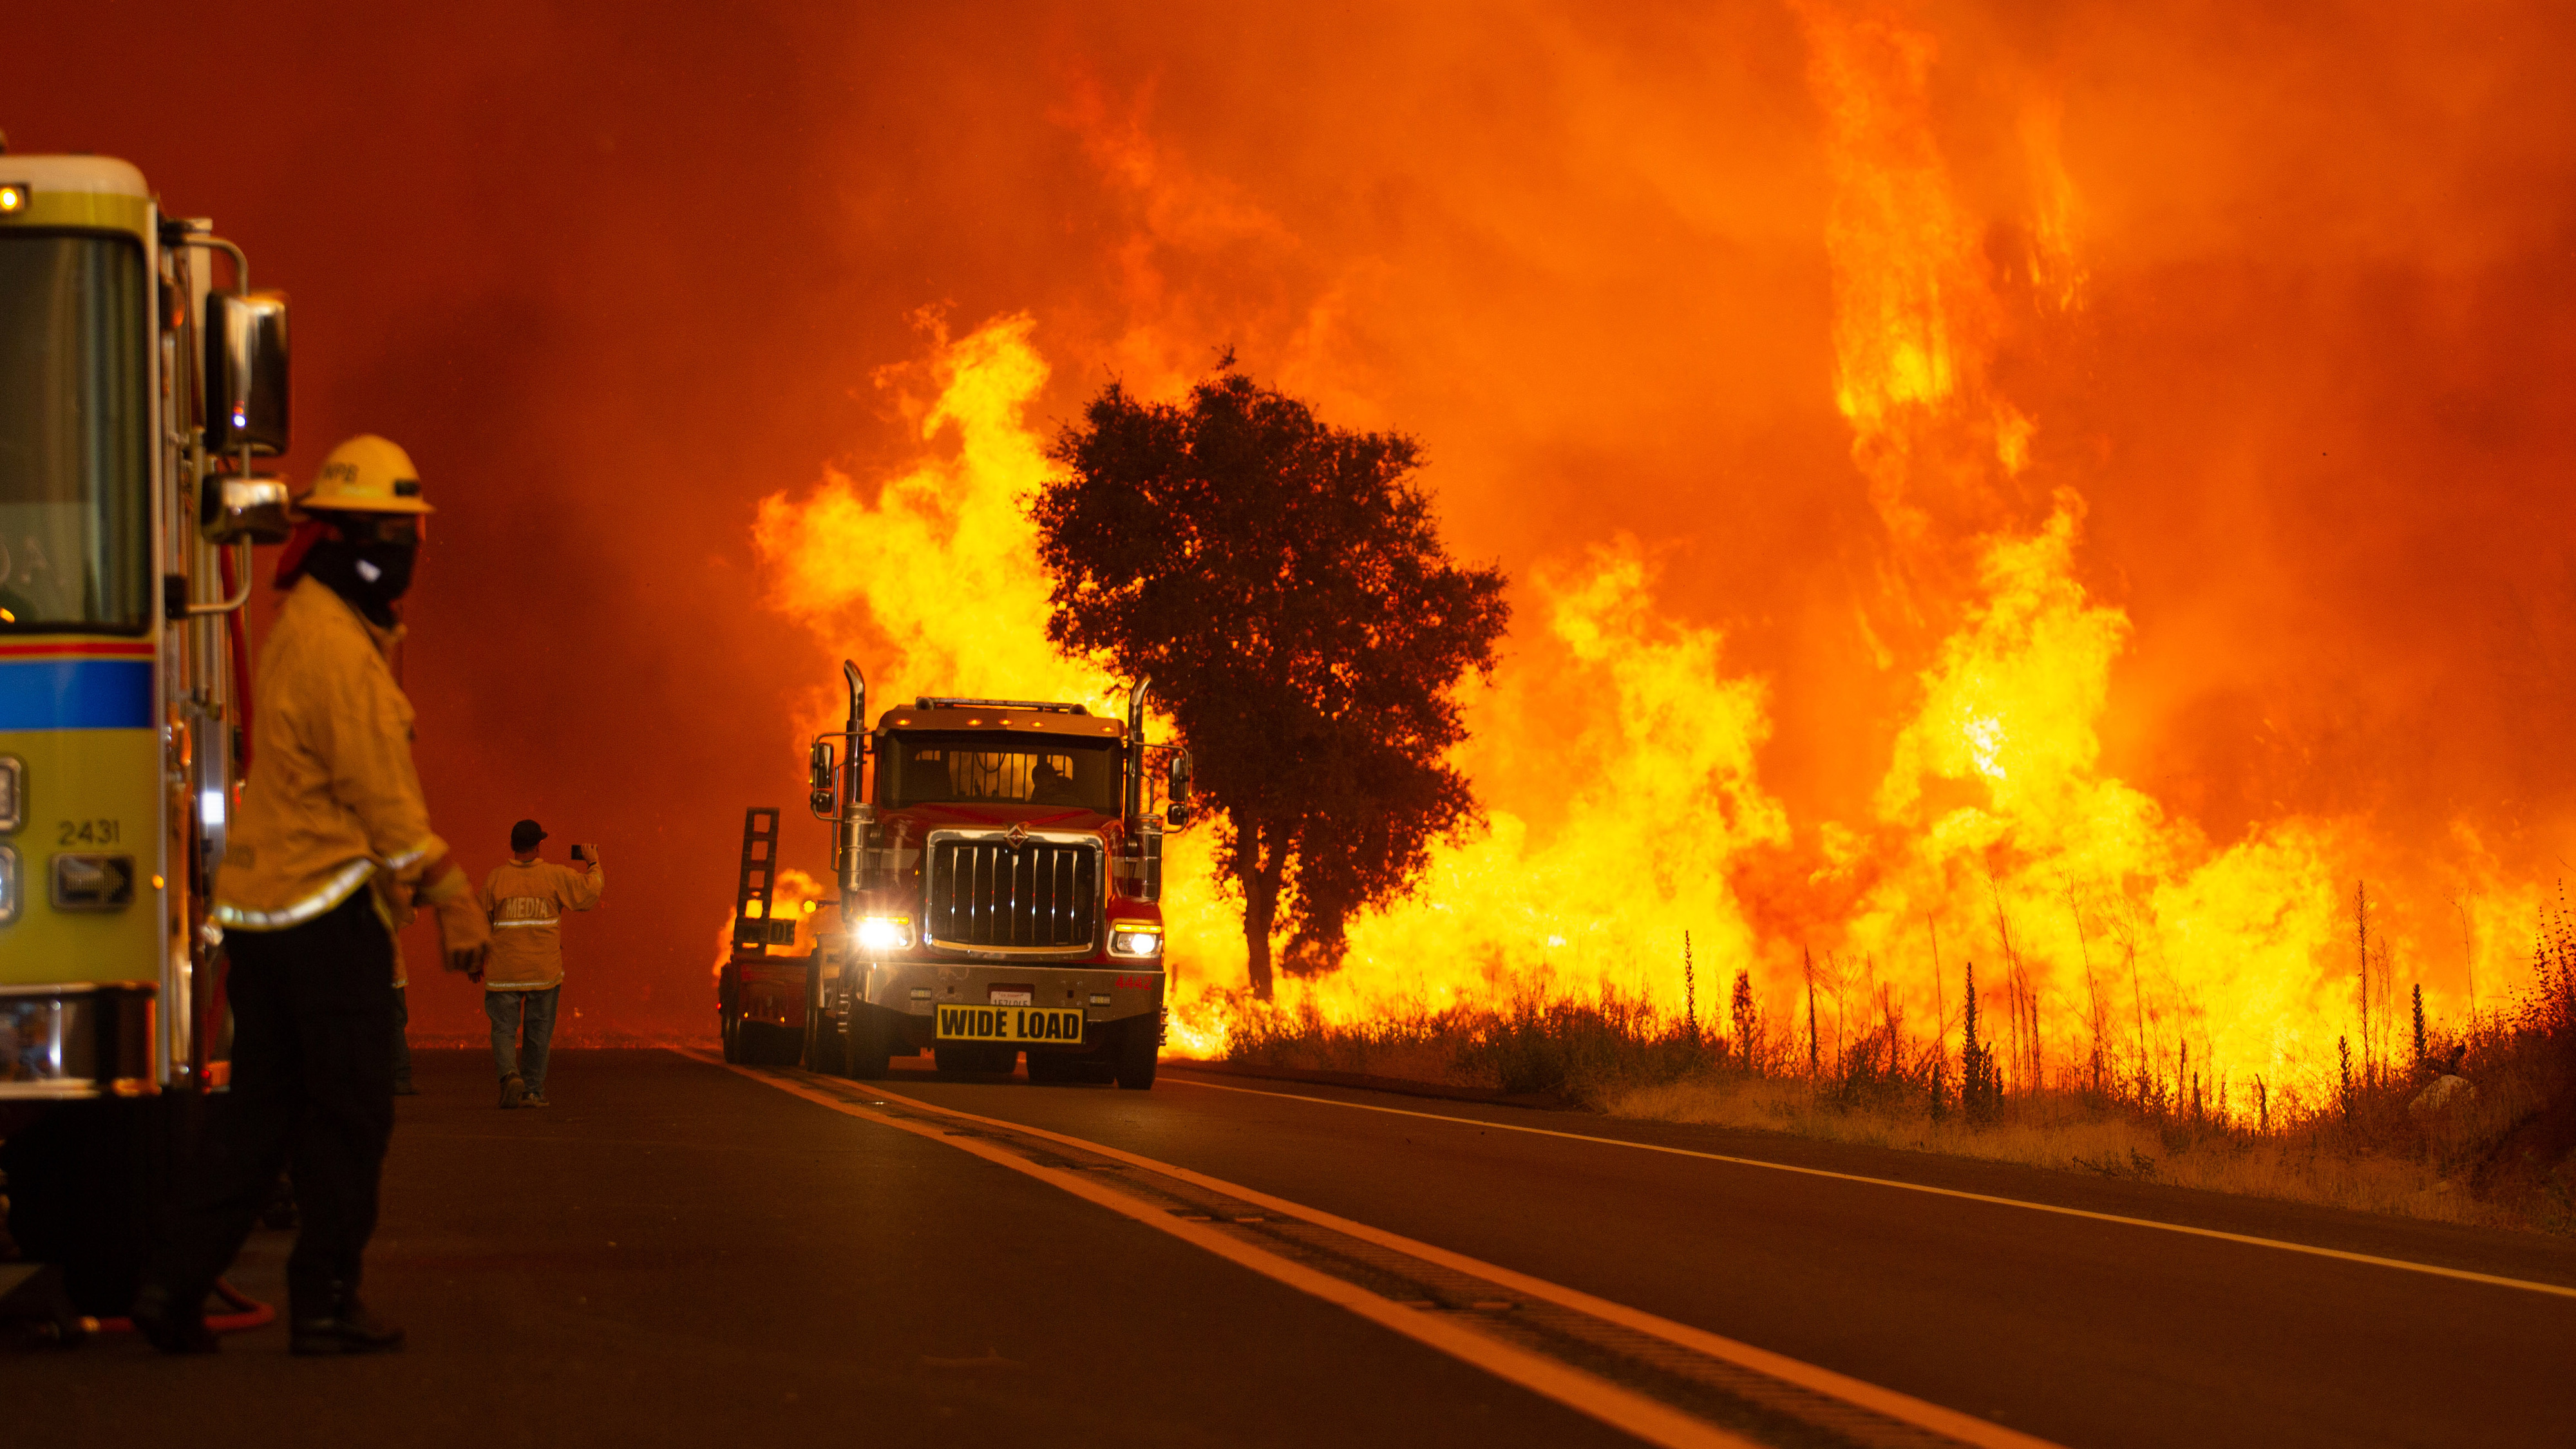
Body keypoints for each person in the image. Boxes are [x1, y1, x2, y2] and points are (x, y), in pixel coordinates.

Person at [131, 435, 489, 1356]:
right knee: (351, 1111)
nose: (407, 550)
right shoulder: (335, 647)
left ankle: (174, 1287)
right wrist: (447, 887)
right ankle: (325, 1299)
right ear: (351, 536)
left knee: (260, 1113)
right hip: (324, 914)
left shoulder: (312, 627)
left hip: (266, 912)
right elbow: (381, 792)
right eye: (396, 531)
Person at [479, 822, 604, 1108]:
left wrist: (476, 963)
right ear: (538, 846)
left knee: (503, 1030)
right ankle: (532, 1092)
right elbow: (589, 894)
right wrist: (593, 863)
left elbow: (479, 925)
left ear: (512, 845)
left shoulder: (496, 879)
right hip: (543, 972)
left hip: (504, 972)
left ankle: (510, 1076)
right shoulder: (554, 876)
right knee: (538, 1034)